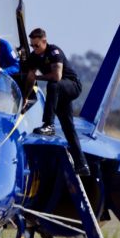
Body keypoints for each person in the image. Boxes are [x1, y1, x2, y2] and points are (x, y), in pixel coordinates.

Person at [24, 28, 90, 176]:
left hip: (71, 86)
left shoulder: (54, 52)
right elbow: (29, 79)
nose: (34, 49)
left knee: (53, 85)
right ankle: (82, 165)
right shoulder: (34, 56)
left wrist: (36, 78)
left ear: (44, 42)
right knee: (68, 128)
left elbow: (56, 77)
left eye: (37, 45)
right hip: (59, 94)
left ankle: (49, 125)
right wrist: (26, 98)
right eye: (32, 46)